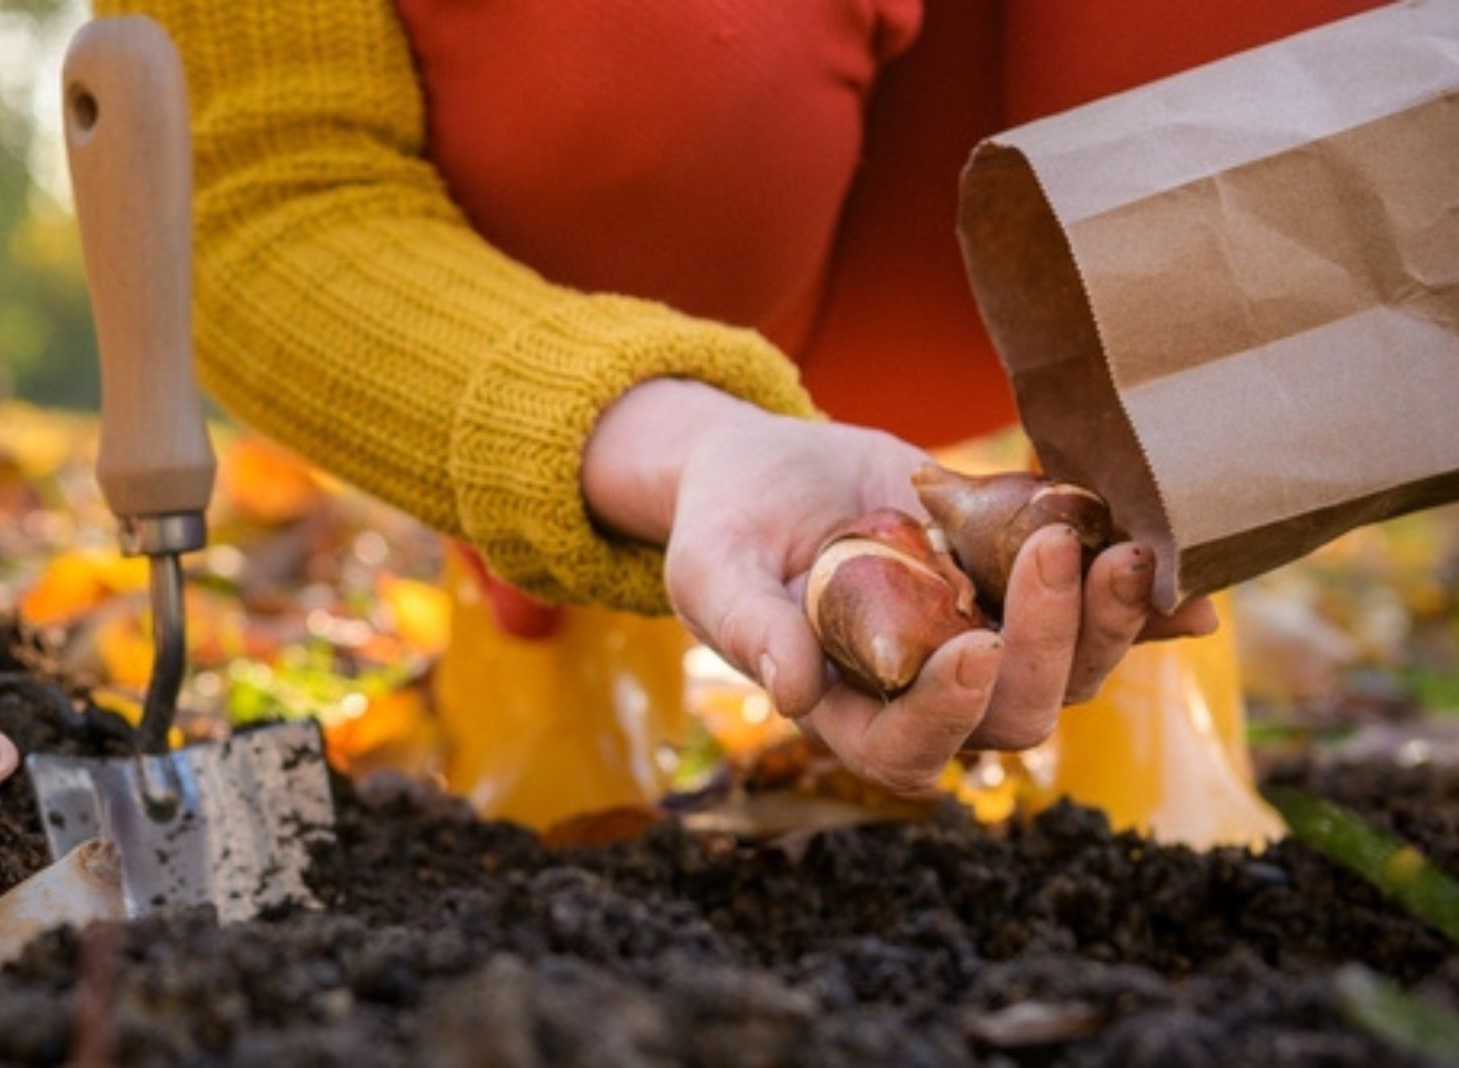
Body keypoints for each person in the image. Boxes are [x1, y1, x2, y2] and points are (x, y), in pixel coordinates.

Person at [91, 0, 1385, 822]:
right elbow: (269, 192)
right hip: (630, 275)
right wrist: (669, 439)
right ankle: (560, 660)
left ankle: (1153, 586)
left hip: (990, 230)